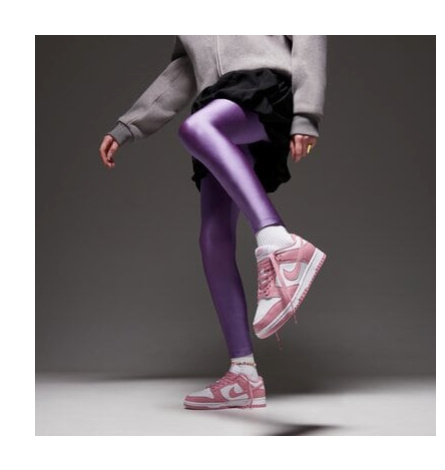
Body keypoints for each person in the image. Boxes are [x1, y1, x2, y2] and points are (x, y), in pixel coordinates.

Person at [99, 35, 327, 410]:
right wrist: (128, 125)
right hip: (217, 101)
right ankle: (243, 375)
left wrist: (306, 114)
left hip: (263, 89)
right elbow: (182, 70)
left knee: (196, 129)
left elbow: (309, 35)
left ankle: (279, 242)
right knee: (213, 238)